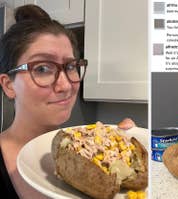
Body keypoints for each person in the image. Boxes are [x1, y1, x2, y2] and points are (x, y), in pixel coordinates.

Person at [0, 5, 135, 199]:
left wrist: (119, 152)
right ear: (8, 85)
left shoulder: (91, 154)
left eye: (71, 66)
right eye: (42, 69)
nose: (65, 85)